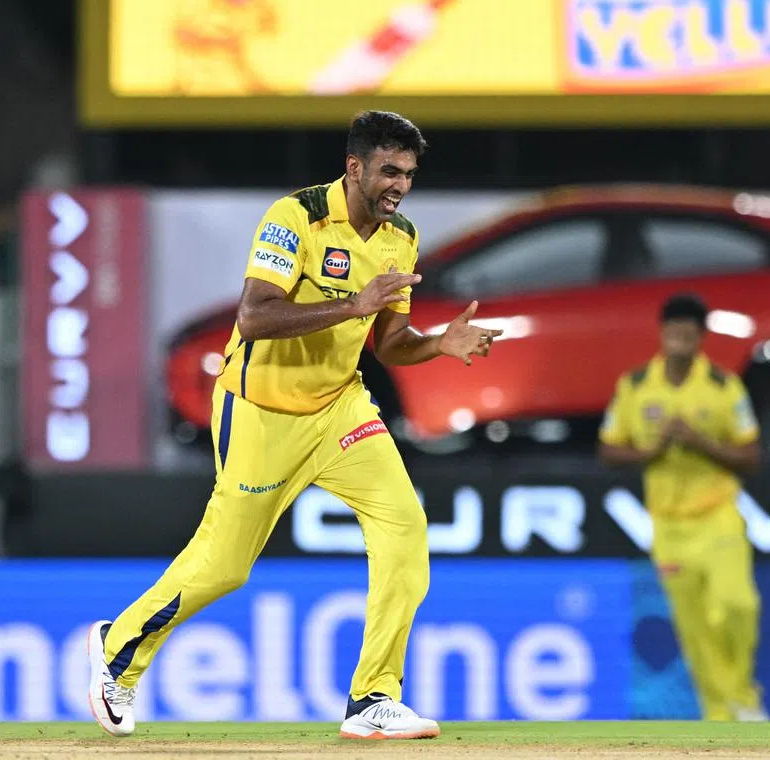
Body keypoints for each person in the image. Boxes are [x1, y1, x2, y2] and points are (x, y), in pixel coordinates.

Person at [87, 110, 502, 740]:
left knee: (405, 530)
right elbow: (254, 317)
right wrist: (353, 305)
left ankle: (373, 699)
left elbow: (389, 345)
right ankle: (117, 650)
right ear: (354, 167)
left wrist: (440, 343)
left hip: (341, 408)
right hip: (261, 412)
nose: (400, 186)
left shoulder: (401, 238)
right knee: (226, 566)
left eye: (410, 174)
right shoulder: (296, 218)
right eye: (389, 171)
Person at [596, 293, 768, 722]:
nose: (680, 343)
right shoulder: (635, 386)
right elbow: (608, 450)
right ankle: (721, 718)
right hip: (669, 525)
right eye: (674, 333)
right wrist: (650, 452)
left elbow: (751, 456)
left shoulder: (723, 386)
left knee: (736, 605)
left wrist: (699, 442)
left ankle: (742, 697)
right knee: (694, 629)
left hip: (717, 515)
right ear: (662, 334)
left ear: (700, 338)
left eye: (689, 336)